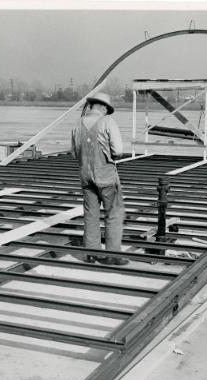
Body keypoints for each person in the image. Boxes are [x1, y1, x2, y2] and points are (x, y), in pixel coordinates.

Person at [71, 92, 128, 265]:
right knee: (114, 213)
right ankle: (112, 255)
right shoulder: (108, 121)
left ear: (91, 105)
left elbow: (74, 153)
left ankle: (91, 253)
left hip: (85, 177)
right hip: (106, 176)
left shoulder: (77, 124)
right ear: (103, 107)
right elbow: (118, 151)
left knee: (90, 214)